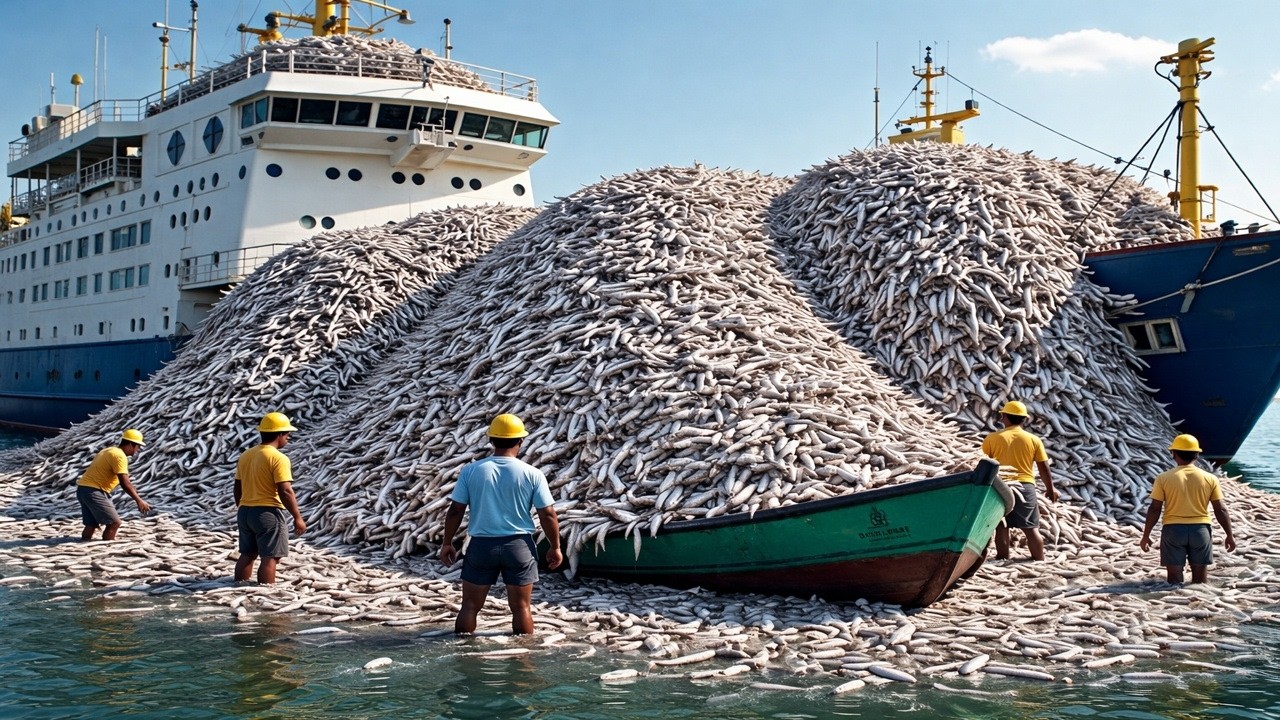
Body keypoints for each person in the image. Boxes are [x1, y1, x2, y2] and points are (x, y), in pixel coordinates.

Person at [440, 413, 562, 635]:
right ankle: (523, 660)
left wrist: (447, 542)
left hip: (481, 546)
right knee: (521, 607)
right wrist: (555, 547)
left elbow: (456, 509)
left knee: (469, 606)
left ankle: (462, 658)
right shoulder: (532, 474)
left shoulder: (471, 471)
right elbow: (548, 514)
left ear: (491, 440)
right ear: (520, 441)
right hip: (519, 547)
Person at [1139, 434, 1237, 584]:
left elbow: (1154, 509)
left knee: (1173, 581)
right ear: (1197, 455)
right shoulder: (1210, 478)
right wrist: (1229, 535)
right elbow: (1221, 509)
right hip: (1201, 531)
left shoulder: (1163, 478)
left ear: (1174, 454)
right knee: (1200, 583)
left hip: (1173, 531)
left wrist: (1146, 535)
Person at [234, 412, 307, 584]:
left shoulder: (246, 455)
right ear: (280, 434)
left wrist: (242, 507)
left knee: (248, 554)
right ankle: (265, 594)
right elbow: (285, 490)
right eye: (288, 434)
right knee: (271, 557)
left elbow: (237, 486)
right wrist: (297, 517)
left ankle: (238, 587)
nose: (288, 438)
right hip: (267, 513)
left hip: (245, 512)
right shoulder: (278, 458)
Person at [982, 400, 1059, 561]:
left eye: (1002, 416)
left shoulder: (992, 438)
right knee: (1030, 527)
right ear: (1023, 419)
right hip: (1025, 486)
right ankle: (1039, 560)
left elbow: (984, 464)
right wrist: (1050, 489)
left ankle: (1002, 557)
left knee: (1001, 525)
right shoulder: (1033, 440)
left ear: (1004, 417)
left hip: (999, 487)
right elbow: (1044, 467)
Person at [76, 429, 152, 541]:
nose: (138, 450)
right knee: (114, 523)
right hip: (94, 491)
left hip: (82, 489)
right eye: (138, 446)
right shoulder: (119, 456)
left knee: (91, 524)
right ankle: (108, 550)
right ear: (131, 444)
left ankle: (83, 545)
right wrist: (139, 500)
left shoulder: (108, 450)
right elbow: (125, 483)